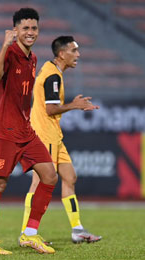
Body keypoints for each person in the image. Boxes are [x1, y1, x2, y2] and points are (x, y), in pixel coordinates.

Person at [0, 7, 56, 255]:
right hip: (5, 131)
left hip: (25, 130)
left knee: (50, 176)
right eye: (25, 28)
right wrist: (3, 46)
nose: (30, 32)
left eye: (34, 28)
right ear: (16, 30)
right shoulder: (10, 52)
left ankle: (29, 234)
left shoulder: (32, 58)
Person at [20, 36, 102, 244]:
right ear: (62, 54)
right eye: (74, 50)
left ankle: (77, 230)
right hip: (43, 135)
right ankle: (26, 233)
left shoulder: (52, 71)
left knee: (69, 177)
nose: (78, 54)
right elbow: (51, 109)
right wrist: (74, 105)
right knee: (38, 182)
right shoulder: (53, 76)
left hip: (54, 135)